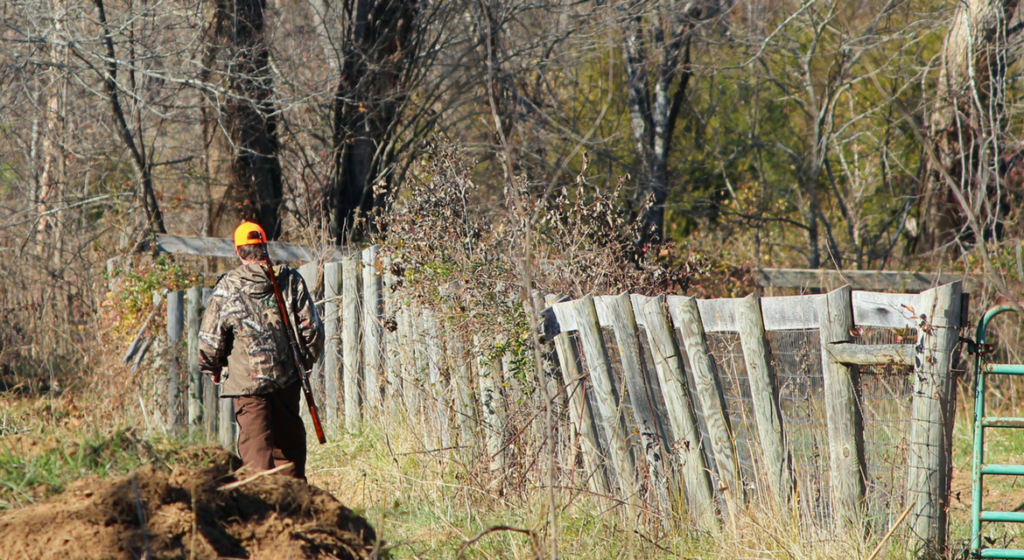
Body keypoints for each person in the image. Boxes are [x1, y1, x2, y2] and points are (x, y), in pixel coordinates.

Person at [198, 221, 324, 480]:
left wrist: (212, 366)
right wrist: (305, 362)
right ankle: (296, 507)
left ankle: (262, 511)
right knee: (289, 453)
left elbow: (210, 340)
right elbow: (312, 329)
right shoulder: (290, 280)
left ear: (238, 252)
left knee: (256, 455)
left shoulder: (227, 287)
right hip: (288, 380)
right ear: (264, 246)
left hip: (248, 387)